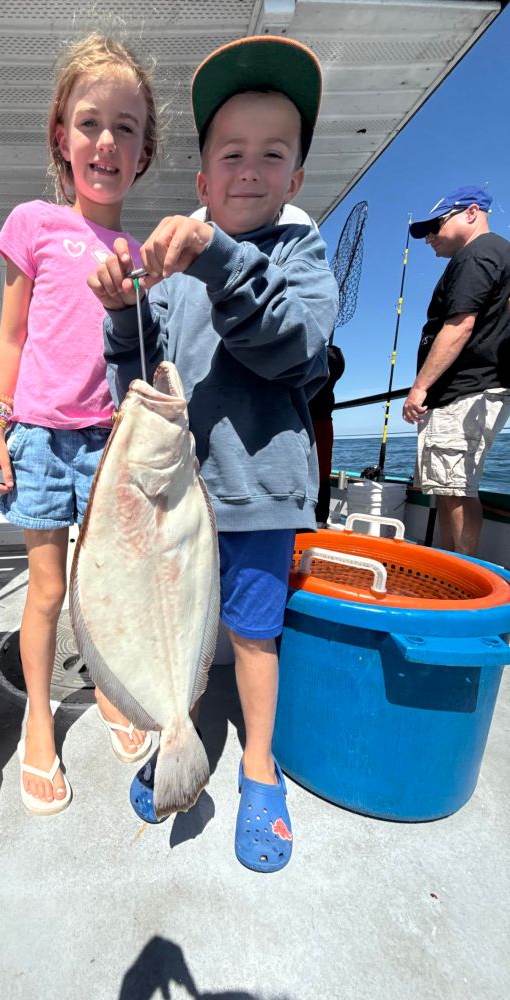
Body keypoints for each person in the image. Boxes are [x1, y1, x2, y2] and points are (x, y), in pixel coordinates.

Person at [88, 36, 338, 871]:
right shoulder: (182, 270)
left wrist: (217, 258)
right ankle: (177, 733)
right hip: (173, 510)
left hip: (259, 496)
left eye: (272, 154)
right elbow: (138, 373)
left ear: (295, 180)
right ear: (202, 179)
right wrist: (122, 311)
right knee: (182, 638)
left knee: (254, 637)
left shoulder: (301, 258)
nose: (249, 169)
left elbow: (285, 344)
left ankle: (258, 770)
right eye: (230, 153)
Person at [0, 32, 158, 815]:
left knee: (100, 586)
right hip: (40, 441)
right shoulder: (32, 224)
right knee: (47, 587)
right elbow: (11, 336)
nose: (106, 143)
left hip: (109, 446)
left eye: (126, 128)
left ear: (144, 149)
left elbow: (137, 360)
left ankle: (110, 693)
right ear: (61, 134)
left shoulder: (138, 254)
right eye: (90, 123)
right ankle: (38, 724)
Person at [402, 186, 510, 556]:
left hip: (466, 390)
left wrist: (419, 388)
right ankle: (451, 569)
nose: (429, 236)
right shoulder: (490, 254)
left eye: (436, 224)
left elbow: (461, 324)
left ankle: (460, 585)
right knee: (449, 491)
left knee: (456, 490)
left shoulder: (477, 254)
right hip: (466, 391)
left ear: (471, 213)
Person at [309, 343, 346, 526]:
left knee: (318, 473)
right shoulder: (328, 379)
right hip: (323, 425)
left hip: (314, 424)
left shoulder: (315, 378)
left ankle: (317, 519)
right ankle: (319, 520)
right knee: (322, 473)